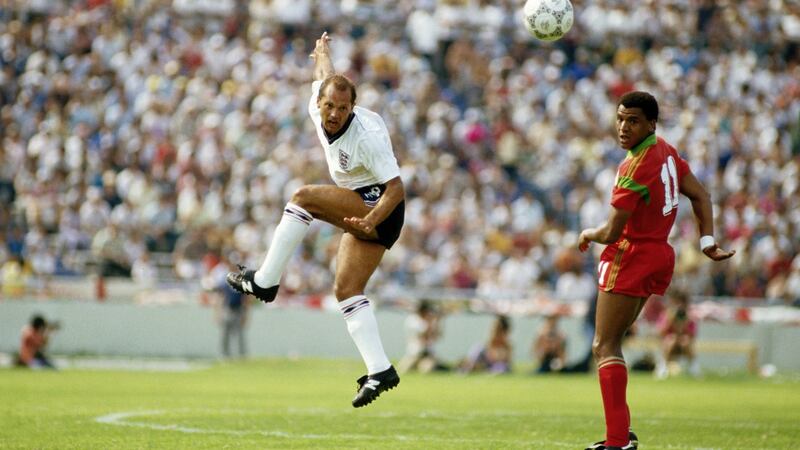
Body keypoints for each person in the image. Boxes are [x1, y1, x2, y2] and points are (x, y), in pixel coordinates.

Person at [226, 32, 405, 408]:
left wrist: (371, 221)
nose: (335, 114)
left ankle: (264, 282)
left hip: (381, 206)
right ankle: (380, 369)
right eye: (329, 106)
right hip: (363, 205)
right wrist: (322, 54)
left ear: (353, 107)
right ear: (319, 102)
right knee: (346, 291)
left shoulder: (366, 137)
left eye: (343, 108)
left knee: (303, 197)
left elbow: (396, 189)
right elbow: (325, 75)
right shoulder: (319, 102)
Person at [577, 91, 735, 450]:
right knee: (613, 342)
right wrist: (706, 240)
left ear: (651, 123)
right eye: (619, 119)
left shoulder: (633, 167)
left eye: (632, 121)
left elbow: (613, 232)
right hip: (660, 254)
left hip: (631, 255)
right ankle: (622, 432)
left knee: (604, 345)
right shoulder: (664, 150)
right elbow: (701, 195)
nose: (623, 127)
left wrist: (588, 233)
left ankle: (617, 441)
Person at [655, 291, 699, 378]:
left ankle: (693, 368)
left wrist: (685, 324)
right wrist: (670, 321)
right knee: (671, 340)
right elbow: (660, 332)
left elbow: (692, 335)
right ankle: (662, 367)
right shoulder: (666, 314)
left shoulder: (690, 316)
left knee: (685, 341)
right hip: (669, 344)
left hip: (684, 344)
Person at [398, 300, 448, 373]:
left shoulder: (430, 321)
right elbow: (424, 337)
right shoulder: (412, 321)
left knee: (427, 369)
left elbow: (436, 336)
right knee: (404, 370)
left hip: (427, 354)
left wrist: (437, 322)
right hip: (414, 353)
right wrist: (431, 322)